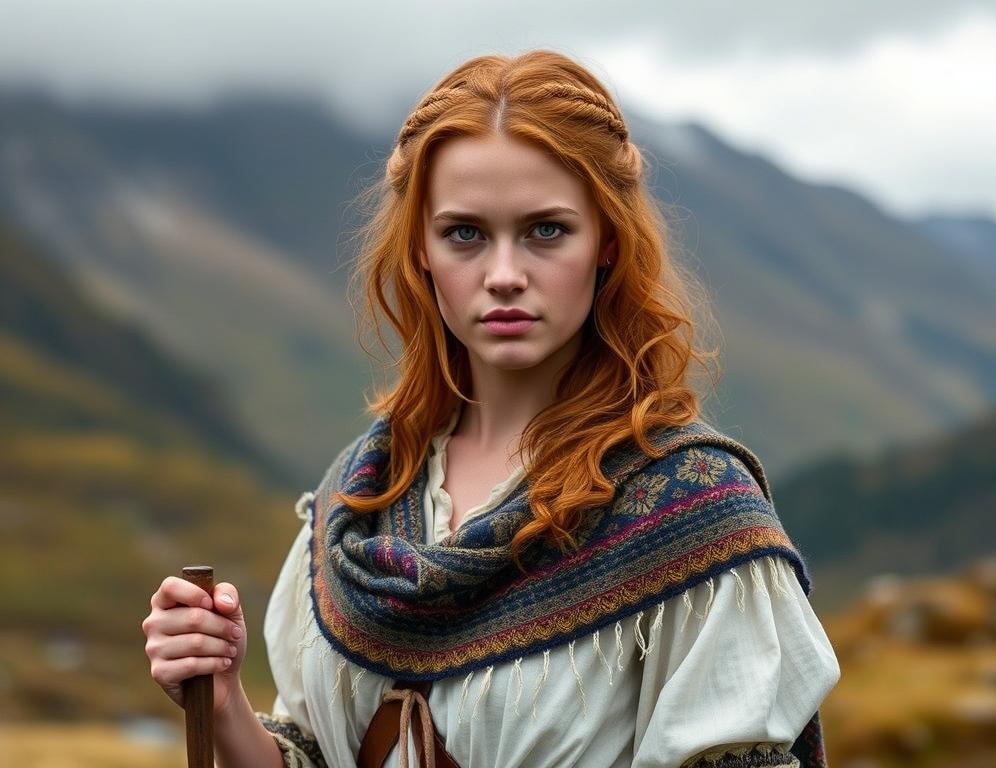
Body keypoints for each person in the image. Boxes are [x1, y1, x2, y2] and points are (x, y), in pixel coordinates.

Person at [142, 49, 841, 768]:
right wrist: (223, 705)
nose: (504, 276)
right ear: (420, 249)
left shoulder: (696, 517)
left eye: (546, 231)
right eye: (465, 234)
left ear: (606, 240)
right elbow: (319, 752)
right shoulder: (357, 496)